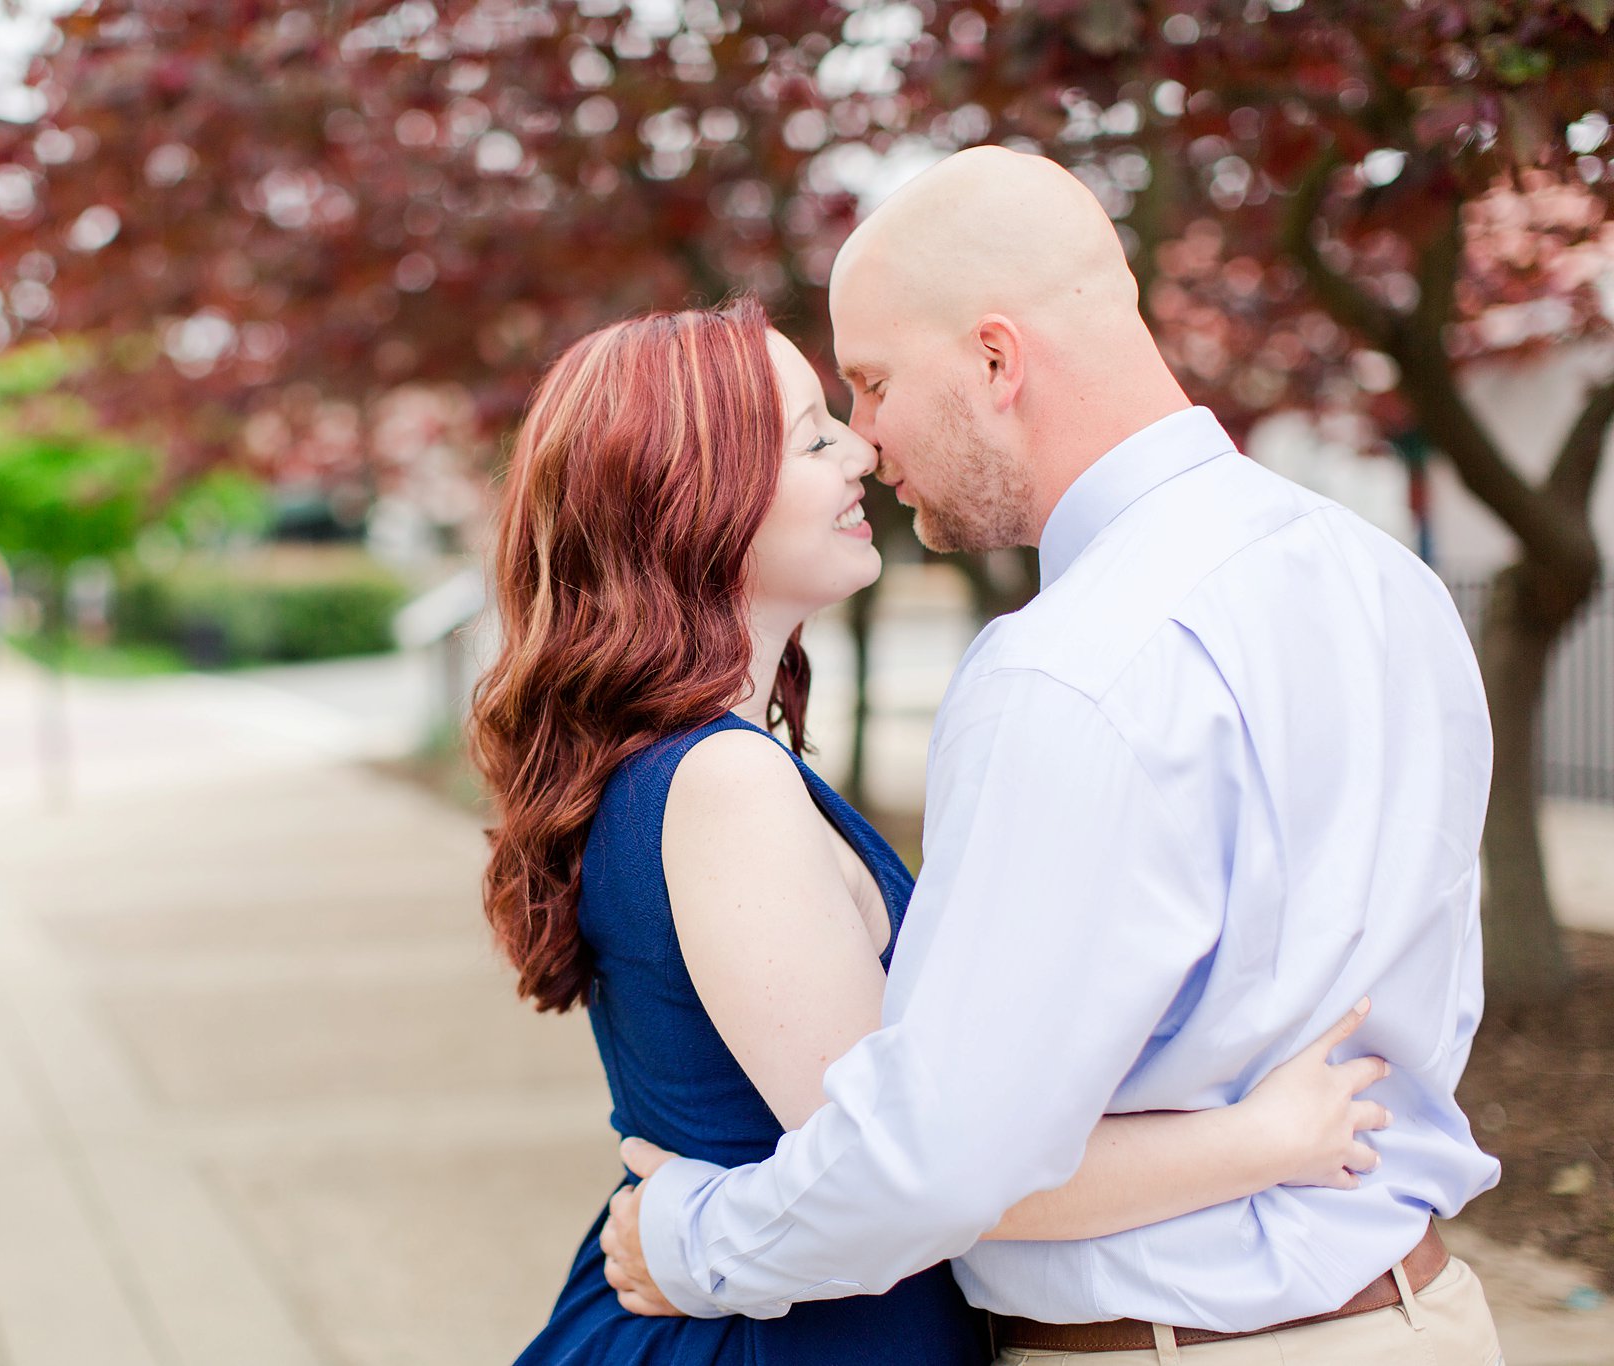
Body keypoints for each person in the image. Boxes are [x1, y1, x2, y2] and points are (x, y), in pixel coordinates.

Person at [598, 149, 1503, 1364]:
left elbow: (942, 1147)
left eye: (867, 385)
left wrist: (690, 1238)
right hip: (1422, 1315)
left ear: (992, 359)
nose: (865, 442)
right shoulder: (1383, 581)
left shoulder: (1070, 666)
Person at [471, 297, 1398, 1365]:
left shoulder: (690, 767)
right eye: (812, 434)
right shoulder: (721, 782)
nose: (859, 450)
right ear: (689, 497)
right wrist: (1264, 1139)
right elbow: (910, 1171)